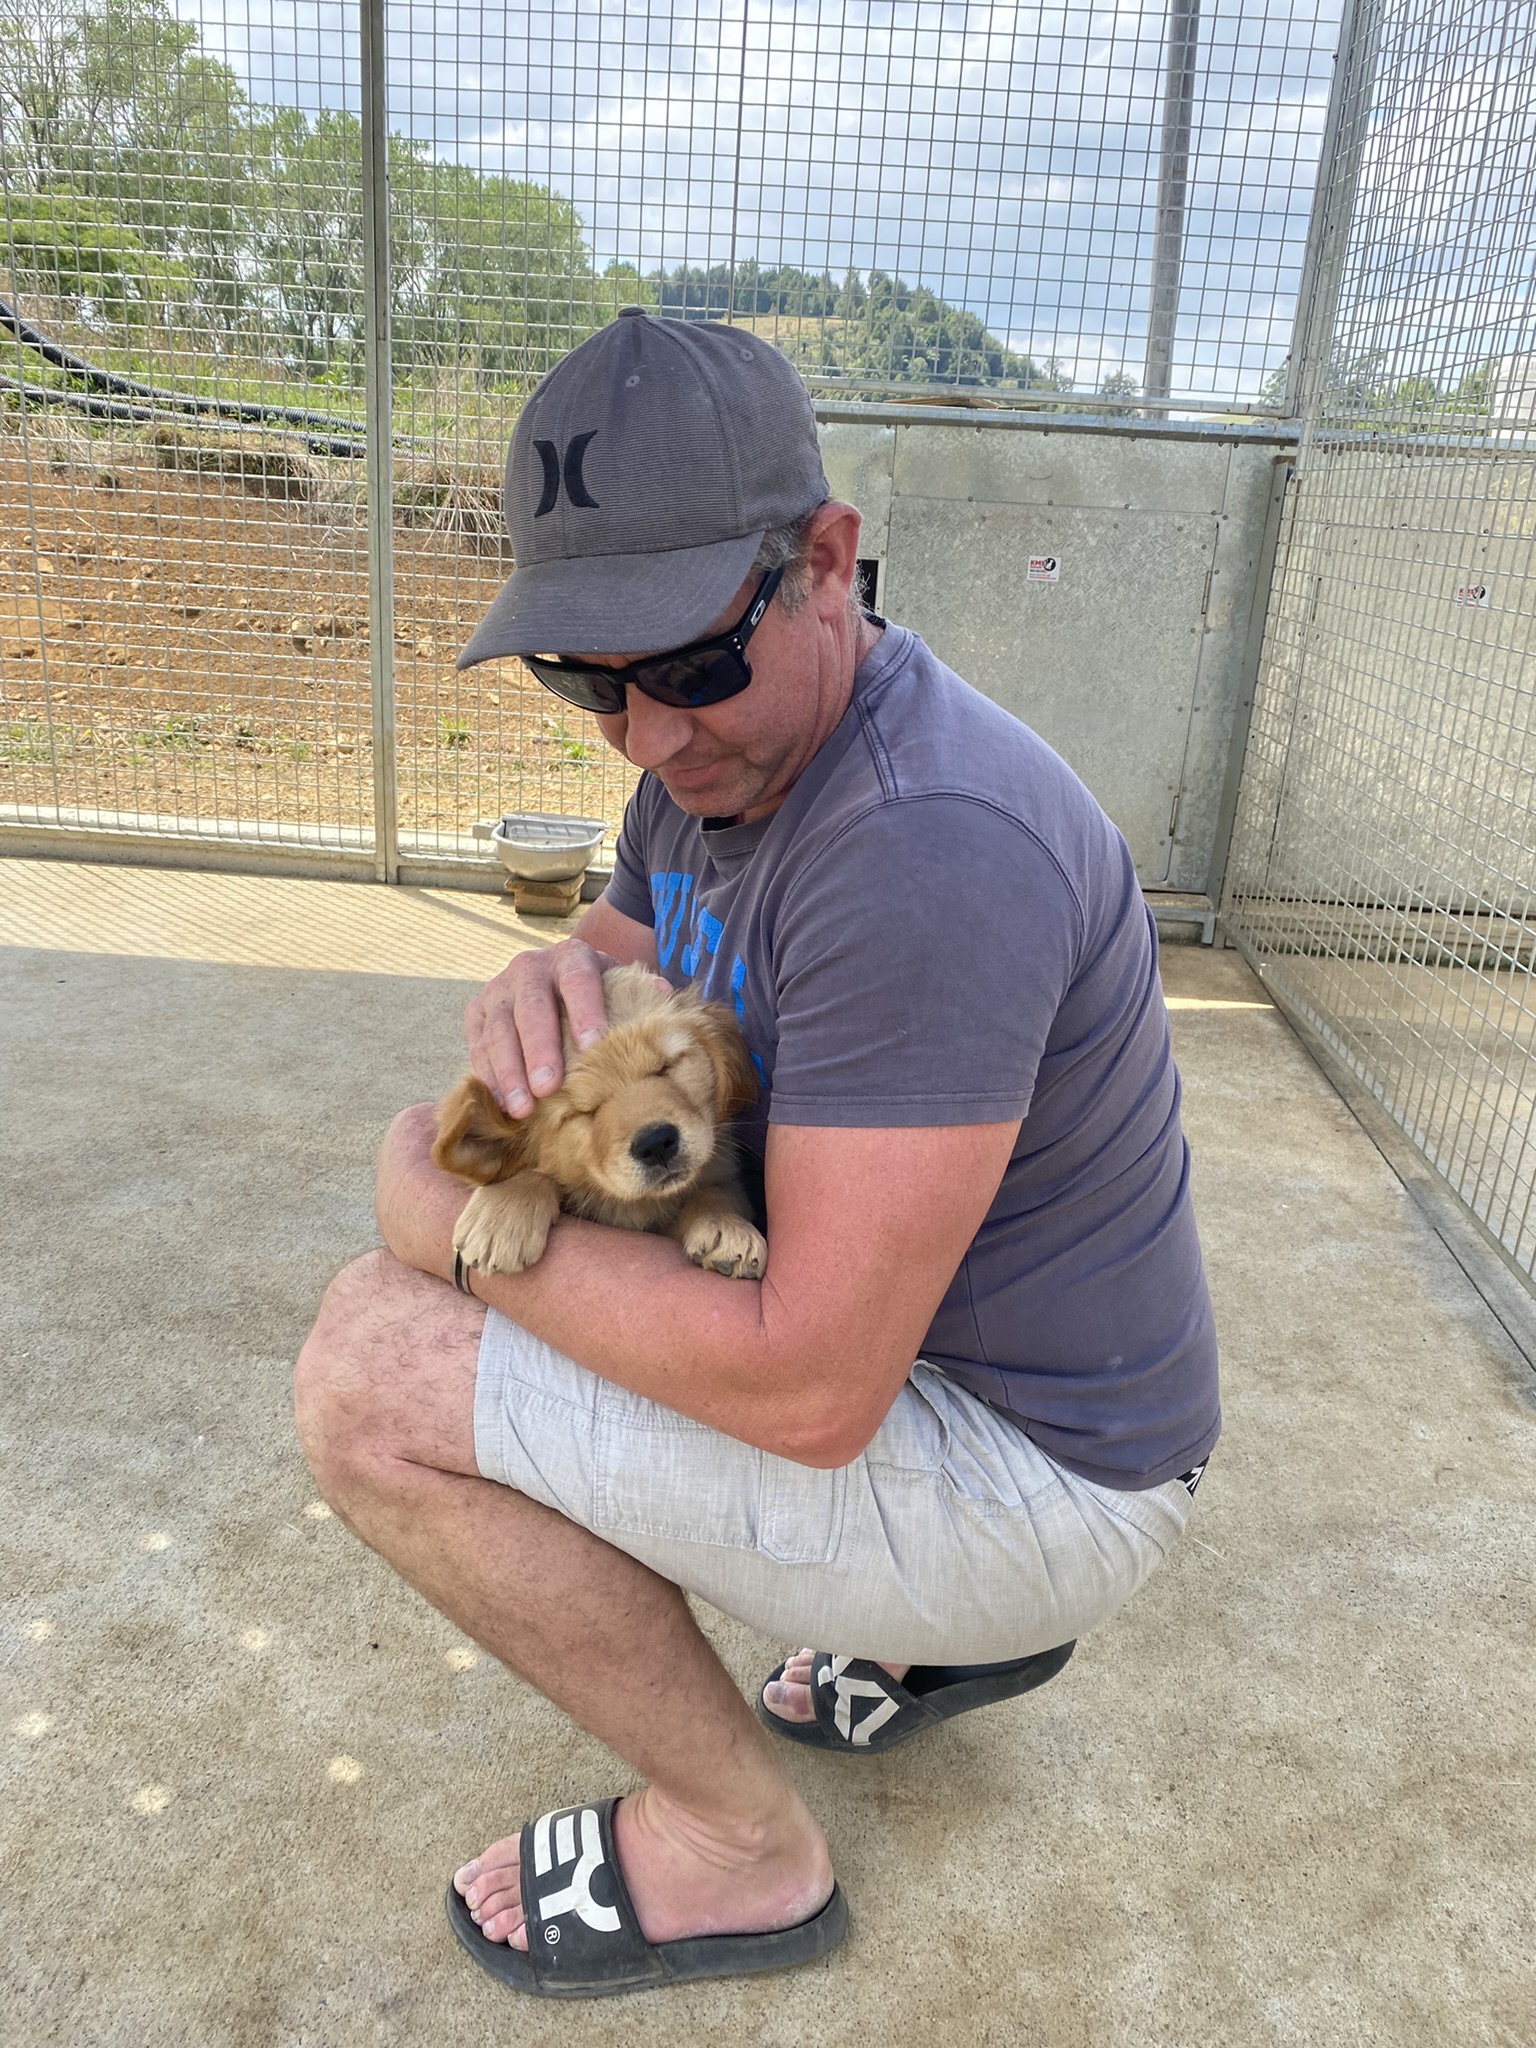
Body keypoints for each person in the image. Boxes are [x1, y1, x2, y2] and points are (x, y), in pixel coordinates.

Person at [293, 309, 1220, 2000]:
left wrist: (441, 1219)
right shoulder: (717, 765)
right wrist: (547, 974)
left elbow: (806, 1395)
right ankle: (933, 1633)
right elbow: (623, 951)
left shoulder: (924, 844)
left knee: (373, 1367)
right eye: (591, 677)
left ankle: (738, 1846)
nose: (645, 734)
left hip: (1045, 1471)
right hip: (991, 1369)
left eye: (689, 661)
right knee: (611, 1213)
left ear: (829, 564)